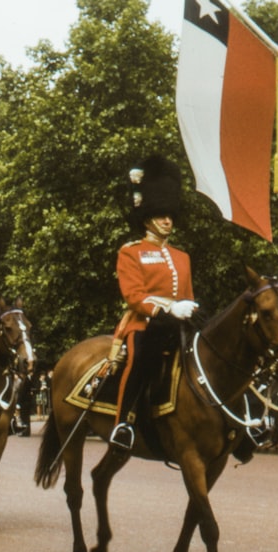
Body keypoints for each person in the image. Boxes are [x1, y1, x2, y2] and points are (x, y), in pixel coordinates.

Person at [109, 155, 197, 451]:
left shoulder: (182, 256)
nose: (168, 220)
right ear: (147, 219)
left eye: (169, 215)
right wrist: (167, 308)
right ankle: (123, 422)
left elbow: (187, 294)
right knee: (140, 360)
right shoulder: (131, 252)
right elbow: (133, 296)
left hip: (178, 323)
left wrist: (190, 308)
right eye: (161, 216)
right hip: (145, 324)